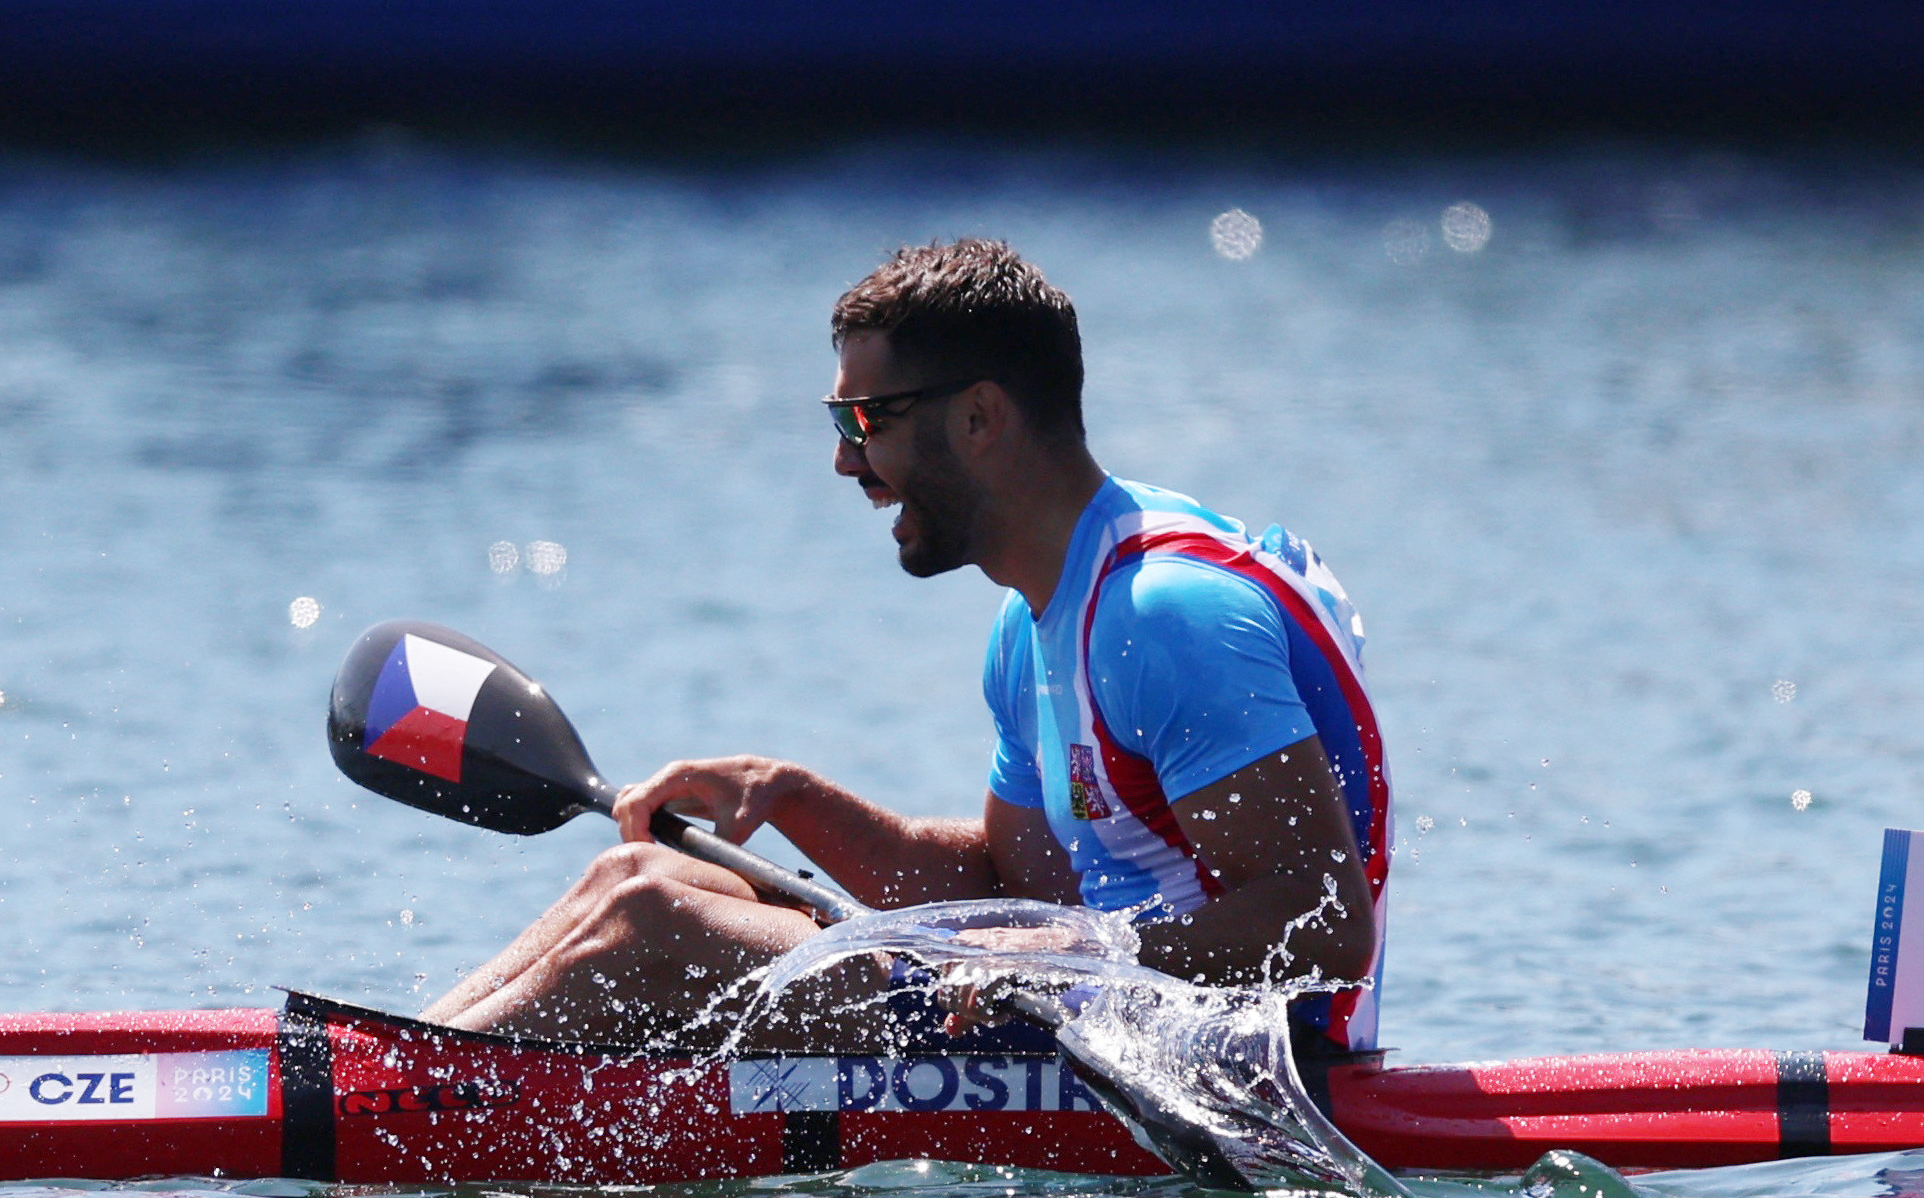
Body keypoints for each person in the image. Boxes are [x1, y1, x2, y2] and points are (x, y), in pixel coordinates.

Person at [423, 238, 1392, 1056]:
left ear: (979, 417)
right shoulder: (1034, 620)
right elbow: (1012, 885)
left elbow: (1324, 924)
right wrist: (793, 795)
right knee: (642, 878)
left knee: (654, 923)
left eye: (866, 420)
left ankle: (377, 1106)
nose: (845, 460)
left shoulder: (1164, 613)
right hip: (1086, 1011)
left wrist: (1068, 957)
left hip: (1246, 1058)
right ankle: (387, 1067)